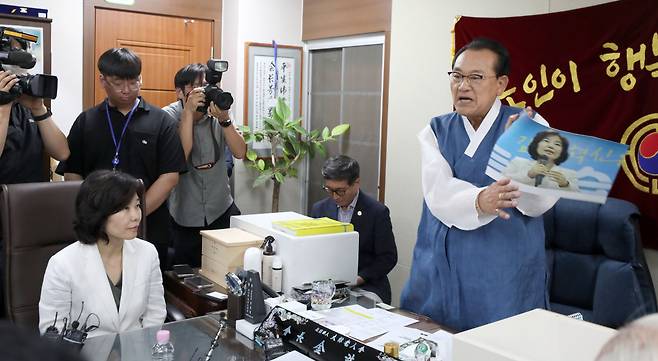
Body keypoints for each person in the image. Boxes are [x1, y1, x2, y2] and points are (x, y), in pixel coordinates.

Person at [400, 38, 558, 331]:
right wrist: (479, 200)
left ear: (501, 84)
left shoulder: (529, 126)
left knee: (499, 342)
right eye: (457, 76)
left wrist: (518, 157)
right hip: (439, 266)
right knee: (430, 340)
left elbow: (542, 202)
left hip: (502, 271)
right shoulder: (436, 130)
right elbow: (438, 192)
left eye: (476, 77)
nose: (463, 86)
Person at [56, 48, 186, 268]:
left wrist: (135, 213)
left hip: (149, 226)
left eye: (134, 82)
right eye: (118, 83)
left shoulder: (161, 121)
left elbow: (170, 177)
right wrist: (100, 214)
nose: (127, 90)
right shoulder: (86, 121)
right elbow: (72, 173)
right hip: (97, 227)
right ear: (102, 80)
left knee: (148, 289)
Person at [39, 170, 166, 338]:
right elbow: (52, 330)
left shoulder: (147, 253)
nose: (135, 216)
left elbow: (155, 314)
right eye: (124, 208)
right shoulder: (62, 264)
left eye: (136, 206)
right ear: (97, 213)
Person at [163, 63, 246, 267]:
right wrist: (189, 114)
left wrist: (225, 119)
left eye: (206, 86)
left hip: (220, 207)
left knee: (227, 269)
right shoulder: (168, 116)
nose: (203, 93)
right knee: (187, 278)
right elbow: (180, 159)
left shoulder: (217, 112)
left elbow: (240, 152)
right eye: (196, 87)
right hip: (185, 213)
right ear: (179, 92)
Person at [310, 155, 398, 304]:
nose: (335, 197)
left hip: (367, 285)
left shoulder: (377, 212)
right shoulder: (320, 209)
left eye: (340, 191)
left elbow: (388, 257)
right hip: (327, 286)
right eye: (329, 190)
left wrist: (358, 278)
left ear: (356, 183)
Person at [503, 130, 579, 191]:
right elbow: (502, 180)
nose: (551, 146)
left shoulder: (569, 174)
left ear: (562, 151)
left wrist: (565, 184)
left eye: (557, 144)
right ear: (536, 145)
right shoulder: (518, 162)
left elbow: (578, 195)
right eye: (546, 141)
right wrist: (529, 175)